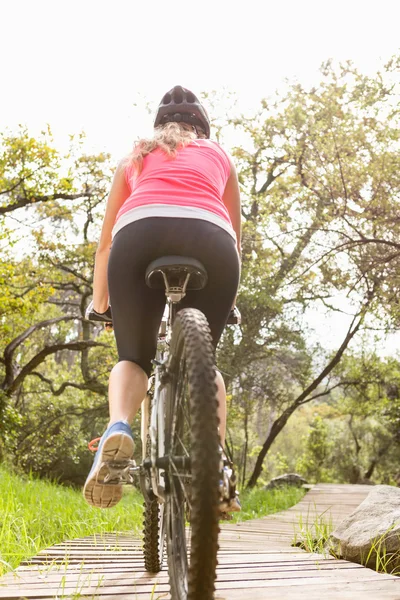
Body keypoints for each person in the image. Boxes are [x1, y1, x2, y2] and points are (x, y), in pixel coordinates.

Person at [83, 85, 241, 510]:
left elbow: (104, 245)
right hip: (213, 241)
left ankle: (119, 427)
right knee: (205, 359)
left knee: (133, 357)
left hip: (138, 235)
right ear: (202, 129)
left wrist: (102, 303)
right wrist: (229, 301)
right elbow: (235, 235)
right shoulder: (219, 155)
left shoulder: (134, 157)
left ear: (159, 127)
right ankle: (217, 464)